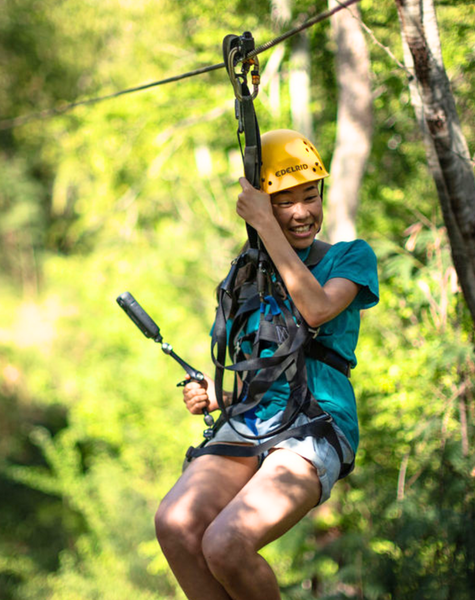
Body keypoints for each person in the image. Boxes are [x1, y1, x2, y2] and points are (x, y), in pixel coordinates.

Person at [154, 129, 379, 600]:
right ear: (262, 208)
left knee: (227, 543)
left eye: (310, 196)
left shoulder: (349, 258)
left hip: (316, 423)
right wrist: (221, 396)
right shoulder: (248, 278)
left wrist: (268, 227)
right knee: (175, 524)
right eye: (283, 202)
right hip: (255, 419)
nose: (302, 212)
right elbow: (267, 376)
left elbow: (316, 309)